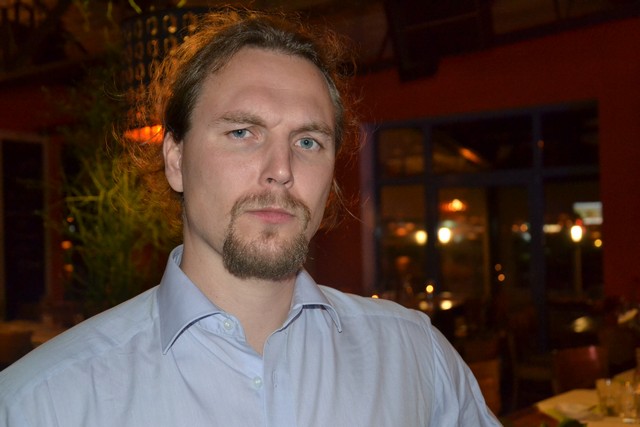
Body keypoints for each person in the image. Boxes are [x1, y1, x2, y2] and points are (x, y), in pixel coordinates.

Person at [0, 9, 501, 426]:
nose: (281, 169)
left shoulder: (416, 358)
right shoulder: (41, 403)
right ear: (175, 158)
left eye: (308, 141)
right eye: (242, 132)